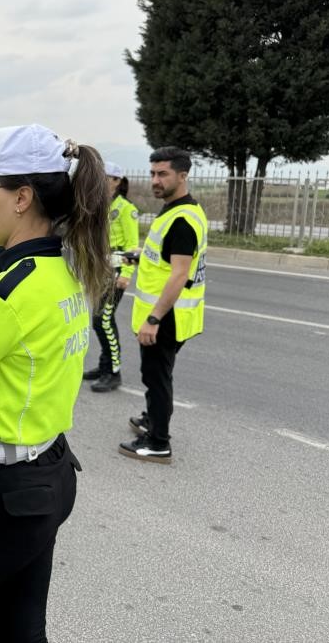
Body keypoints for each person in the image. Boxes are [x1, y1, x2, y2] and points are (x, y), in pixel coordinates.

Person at [0, 124, 111, 643]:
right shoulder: (68, 274)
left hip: (2, 495)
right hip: (48, 475)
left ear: (21, 198)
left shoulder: (4, 294)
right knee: (21, 631)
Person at [120, 146, 207, 464]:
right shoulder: (178, 209)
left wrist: (153, 319)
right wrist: (141, 256)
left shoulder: (182, 220)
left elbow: (180, 274)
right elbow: (168, 258)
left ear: (182, 176)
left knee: (156, 378)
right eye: (153, 173)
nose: (155, 180)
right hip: (173, 312)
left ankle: (158, 443)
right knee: (158, 374)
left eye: (163, 174)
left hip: (166, 315)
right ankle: (153, 419)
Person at [83, 162, 139, 392]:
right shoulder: (100, 205)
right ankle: (104, 365)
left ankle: (113, 372)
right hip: (102, 269)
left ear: (117, 181)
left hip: (117, 269)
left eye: (107, 178)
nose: (102, 181)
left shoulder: (126, 209)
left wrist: (126, 274)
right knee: (99, 320)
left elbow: (133, 245)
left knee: (103, 320)